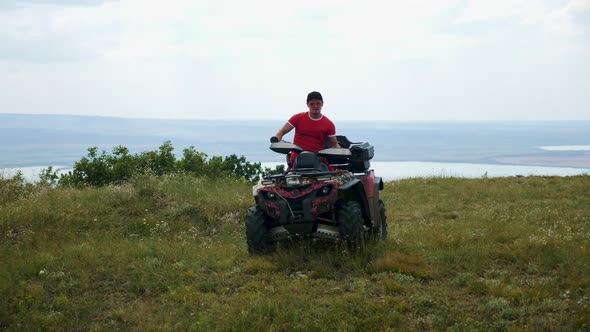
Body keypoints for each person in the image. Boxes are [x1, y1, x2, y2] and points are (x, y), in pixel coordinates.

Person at [271, 91, 340, 169]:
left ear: (322, 104)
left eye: (318, 103)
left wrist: (341, 153)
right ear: (307, 104)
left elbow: (334, 144)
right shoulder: (297, 118)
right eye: (312, 104)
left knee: (335, 179)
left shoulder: (329, 124)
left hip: (317, 160)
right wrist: (276, 139)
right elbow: (282, 131)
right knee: (283, 180)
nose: (315, 106)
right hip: (296, 160)